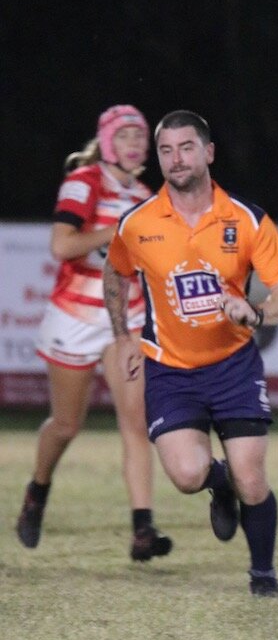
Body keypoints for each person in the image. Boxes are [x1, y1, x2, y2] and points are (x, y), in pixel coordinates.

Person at [102, 110, 278, 596]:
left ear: (208, 153)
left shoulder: (246, 218)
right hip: (170, 370)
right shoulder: (137, 223)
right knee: (188, 475)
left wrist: (255, 313)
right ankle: (220, 482)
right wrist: (123, 337)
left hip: (234, 366)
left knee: (252, 479)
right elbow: (115, 274)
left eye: (187, 147)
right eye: (166, 150)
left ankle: (263, 576)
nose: (176, 159)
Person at [16, 105, 173, 562]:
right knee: (67, 424)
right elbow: (62, 245)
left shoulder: (146, 195)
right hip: (76, 318)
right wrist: (118, 231)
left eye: (140, 137)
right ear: (106, 142)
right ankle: (38, 489)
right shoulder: (84, 181)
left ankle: (142, 528)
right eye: (125, 136)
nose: (134, 144)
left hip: (127, 319)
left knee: (136, 422)